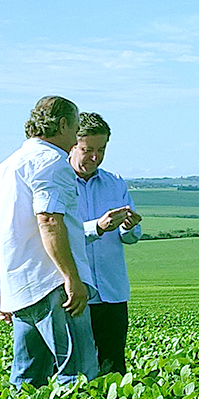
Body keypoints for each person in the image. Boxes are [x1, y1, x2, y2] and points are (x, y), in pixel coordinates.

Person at [0, 96, 99, 386]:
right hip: (53, 285)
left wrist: (0, 290)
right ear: (62, 125)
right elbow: (48, 220)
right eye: (74, 128)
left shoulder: (3, 169)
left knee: (27, 377)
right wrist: (71, 278)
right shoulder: (52, 162)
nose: (75, 137)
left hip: (18, 289)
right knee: (78, 374)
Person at [71, 112, 142, 376]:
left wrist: (130, 227)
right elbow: (55, 233)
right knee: (77, 370)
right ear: (72, 146)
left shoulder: (115, 183)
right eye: (88, 150)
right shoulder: (60, 183)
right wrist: (96, 227)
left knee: (114, 369)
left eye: (101, 150)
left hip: (113, 291)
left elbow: (131, 238)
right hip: (78, 293)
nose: (95, 157)